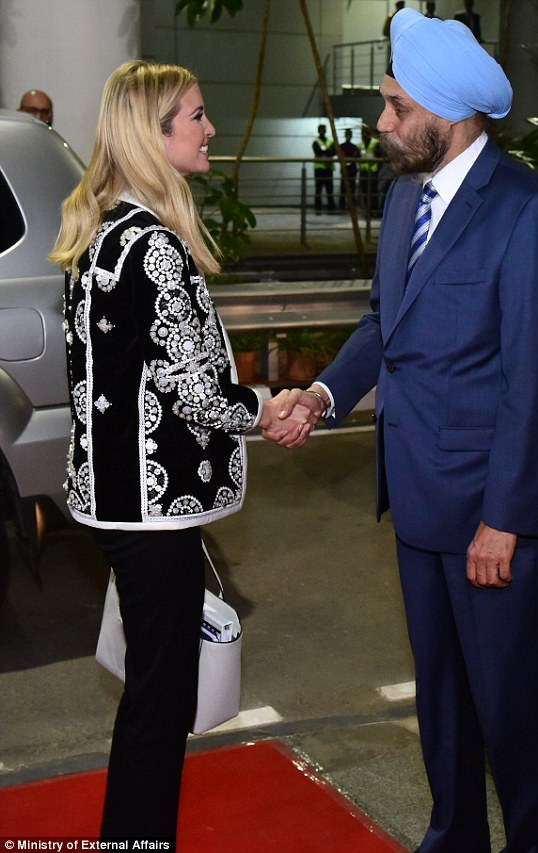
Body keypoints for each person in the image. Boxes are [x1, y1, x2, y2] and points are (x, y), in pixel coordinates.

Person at [267, 9, 538, 852]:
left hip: (487, 515)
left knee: (509, 706)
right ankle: (455, 836)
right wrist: (323, 395)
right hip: (414, 499)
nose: (382, 122)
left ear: (449, 114)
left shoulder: (526, 212)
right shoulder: (408, 195)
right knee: (441, 697)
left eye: (397, 107)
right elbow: (386, 323)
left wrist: (504, 518)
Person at [50, 60, 314, 848]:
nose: (210, 129)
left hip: (111, 499)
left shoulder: (100, 234)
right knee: (159, 705)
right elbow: (197, 393)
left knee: (150, 694)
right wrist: (269, 406)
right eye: (196, 116)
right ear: (153, 132)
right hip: (152, 508)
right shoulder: (156, 248)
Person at [358, 125, 381, 216]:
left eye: (366, 133)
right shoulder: (360, 144)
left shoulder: (375, 143)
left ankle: (374, 211)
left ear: (369, 134)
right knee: (364, 192)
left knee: (373, 191)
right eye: (363, 133)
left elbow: (379, 155)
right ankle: (367, 211)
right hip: (363, 171)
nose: (364, 135)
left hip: (372, 171)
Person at [312, 123, 335, 213]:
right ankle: (318, 209)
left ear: (325, 131)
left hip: (328, 168)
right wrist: (327, 151)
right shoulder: (316, 141)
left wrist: (323, 152)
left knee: (330, 189)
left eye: (323, 129)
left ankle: (331, 208)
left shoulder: (330, 141)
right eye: (320, 130)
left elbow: (333, 152)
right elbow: (317, 152)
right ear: (318, 131)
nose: (322, 131)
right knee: (318, 189)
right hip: (319, 168)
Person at [339, 127, 360, 210]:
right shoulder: (341, 146)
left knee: (352, 189)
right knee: (343, 189)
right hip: (345, 170)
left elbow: (357, 156)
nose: (348, 136)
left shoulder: (354, 147)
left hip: (352, 170)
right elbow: (340, 155)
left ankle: (351, 206)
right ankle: (342, 206)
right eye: (347, 134)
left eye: (349, 134)